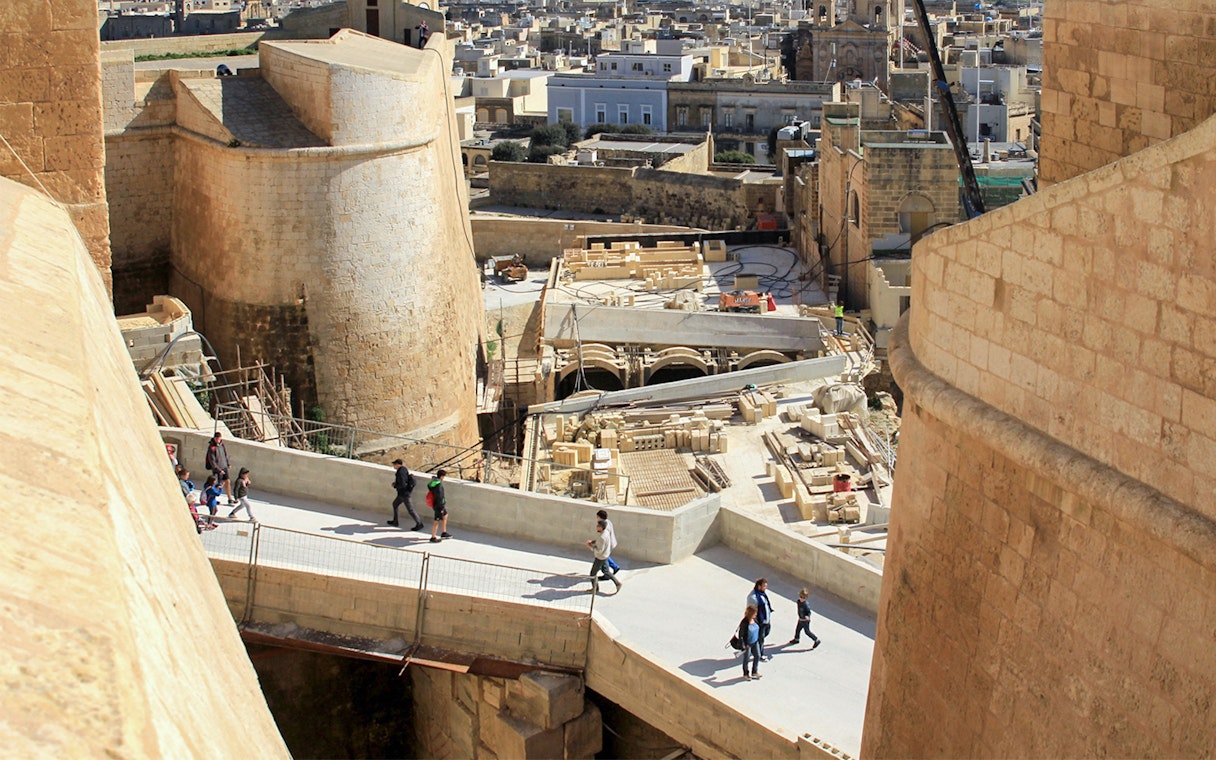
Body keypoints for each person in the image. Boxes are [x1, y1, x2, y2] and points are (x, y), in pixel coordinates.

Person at [585, 519, 622, 593]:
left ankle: (595, 589)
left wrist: (590, 547)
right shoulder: (605, 533)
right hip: (605, 556)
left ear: (601, 527)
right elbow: (599, 542)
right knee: (606, 571)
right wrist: (592, 542)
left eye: (598, 526)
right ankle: (617, 583)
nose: (596, 527)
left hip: (600, 557)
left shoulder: (602, 537)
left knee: (593, 573)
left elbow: (599, 550)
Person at [389, 459, 423, 530]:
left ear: (398, 464)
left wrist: (395, 486)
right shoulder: (404, 469)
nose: (394, 466)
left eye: (395, 464)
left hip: (404, 494)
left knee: (410, 510)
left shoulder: (400, 472)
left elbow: (403, 484)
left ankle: (419, 523)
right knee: (395, 504)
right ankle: (395, 521)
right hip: (402, 494)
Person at [747, 578, 774, 661]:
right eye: (764, 586)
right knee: (761, 639)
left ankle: (755, 647)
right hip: (760, 622)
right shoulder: (753, 597)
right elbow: (751, 611)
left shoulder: (762, 594)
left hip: (766, 620)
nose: (766, 588)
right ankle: (760, 654)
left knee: (766, 633)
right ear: (759, 586)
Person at [205, 431, 233, 504]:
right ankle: (211, 498)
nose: (218, 440)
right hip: (217, 468)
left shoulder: (222, 444)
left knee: (227, 481)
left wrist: (228, 463)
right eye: (217, 439)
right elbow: (212, 460)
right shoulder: (211, 447)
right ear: (214, 438)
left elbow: (225, 454)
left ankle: (230, 498)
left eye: (219, 438)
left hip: (224, 466)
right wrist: (218, 470)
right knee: (218, 484)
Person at [596, 509, 621, 579]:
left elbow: (604, 537)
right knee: (605, 557)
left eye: (597, 517)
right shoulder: (608, 522)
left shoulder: (604, 525)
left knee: (604, 557)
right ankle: (614, 567)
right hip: (610, 543)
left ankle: (608, 573)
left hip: (608, 544)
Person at [427, 469, 451, 543]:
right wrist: (441, 507)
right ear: (441, 476)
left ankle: (444, 532)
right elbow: (439, 496)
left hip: (437, 504)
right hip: (439, 505)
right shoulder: (438, 485)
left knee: (445, 515)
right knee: (436, 521)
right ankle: (433, 537)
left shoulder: (434, 482)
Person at [739, 605, 762, 680]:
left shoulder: (755, 620)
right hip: (748, 644)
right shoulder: (745, 622)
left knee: (757, 655)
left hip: (755, 642)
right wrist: (744, 645)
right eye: (755, 613)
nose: (756, 614)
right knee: (747, 659)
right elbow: (741, 635)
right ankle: (746, 673)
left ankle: (754, 671)